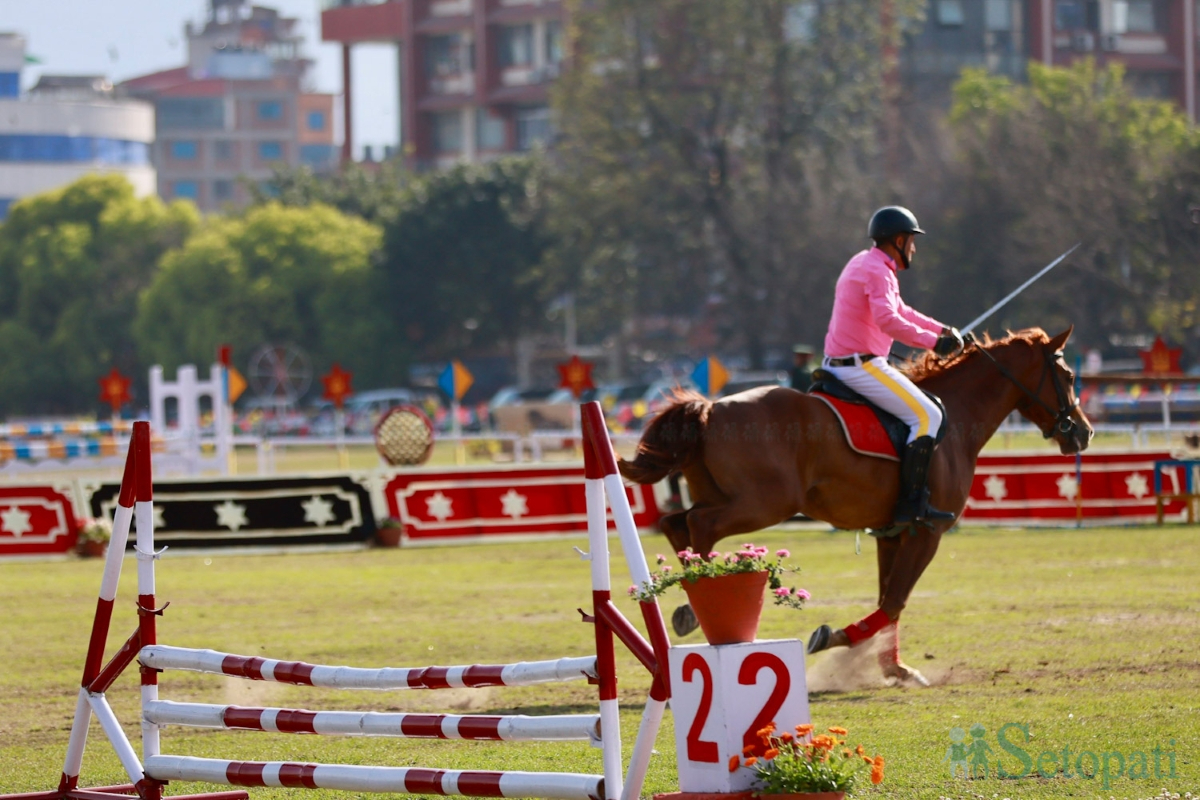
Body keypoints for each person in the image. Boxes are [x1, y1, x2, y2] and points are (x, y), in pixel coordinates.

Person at [822, 205, 963, 524]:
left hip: (841, 363)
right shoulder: (877, 270)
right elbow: (889, 321)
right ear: (899, 240)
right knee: (929, 414)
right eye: (912, 241)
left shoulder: (866, 262)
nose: (914, 247)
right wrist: (934, 344)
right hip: (859, 367)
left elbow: (902, 310)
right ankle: (910, 506)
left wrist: (941, 330)